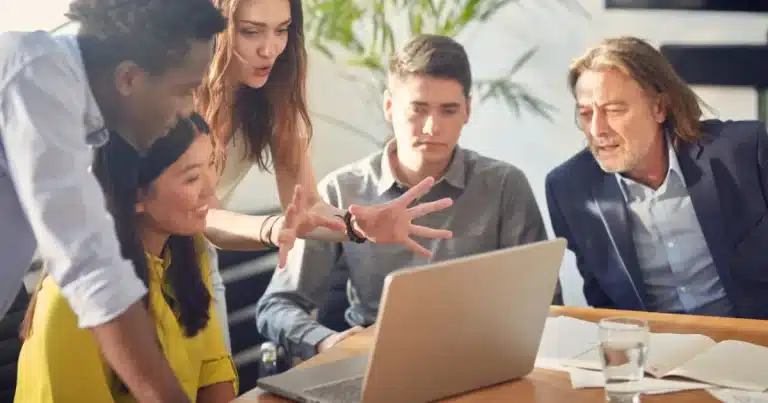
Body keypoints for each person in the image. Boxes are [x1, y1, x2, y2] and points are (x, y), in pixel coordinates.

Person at [256, 34, 563, 360]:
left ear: (467, 111)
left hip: (482, 357)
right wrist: (326, 342)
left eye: (449, 110)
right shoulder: (342, 191)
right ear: (389, 107)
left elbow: (544, 298)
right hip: (375, 359)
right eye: (418, 109)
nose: (432, 127)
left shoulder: (504, 187)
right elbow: (277, 305)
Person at [0, 0, 226, 401]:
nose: (189, 109)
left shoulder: (80, 121)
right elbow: (90, 265)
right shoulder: (35, 75)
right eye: (185, 89)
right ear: (128, 78)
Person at [196, 0, 454, 348]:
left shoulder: (278, 81)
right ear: (216, 26)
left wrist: (357, 225)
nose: (269, 48)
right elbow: (197, 213)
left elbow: (307, 206)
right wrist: (271, 228)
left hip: (197, 262)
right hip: (134, 261)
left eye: (282, 29)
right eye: (251, 31)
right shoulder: (183, 88)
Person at [16, 115, 238, 402]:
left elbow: (212, 371)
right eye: (192, 177)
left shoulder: (188, 250)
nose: (210, 189)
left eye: (212, 164)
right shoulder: (71, 300)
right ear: (135, 194)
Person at [545, 36, 768, 319]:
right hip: (654, 351)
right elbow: (603, 303)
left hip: (750, 338)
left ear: (659, 107)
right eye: (586, 114)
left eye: (614, 110)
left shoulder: (743, 151)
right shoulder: (568, 189)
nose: (597, 129)